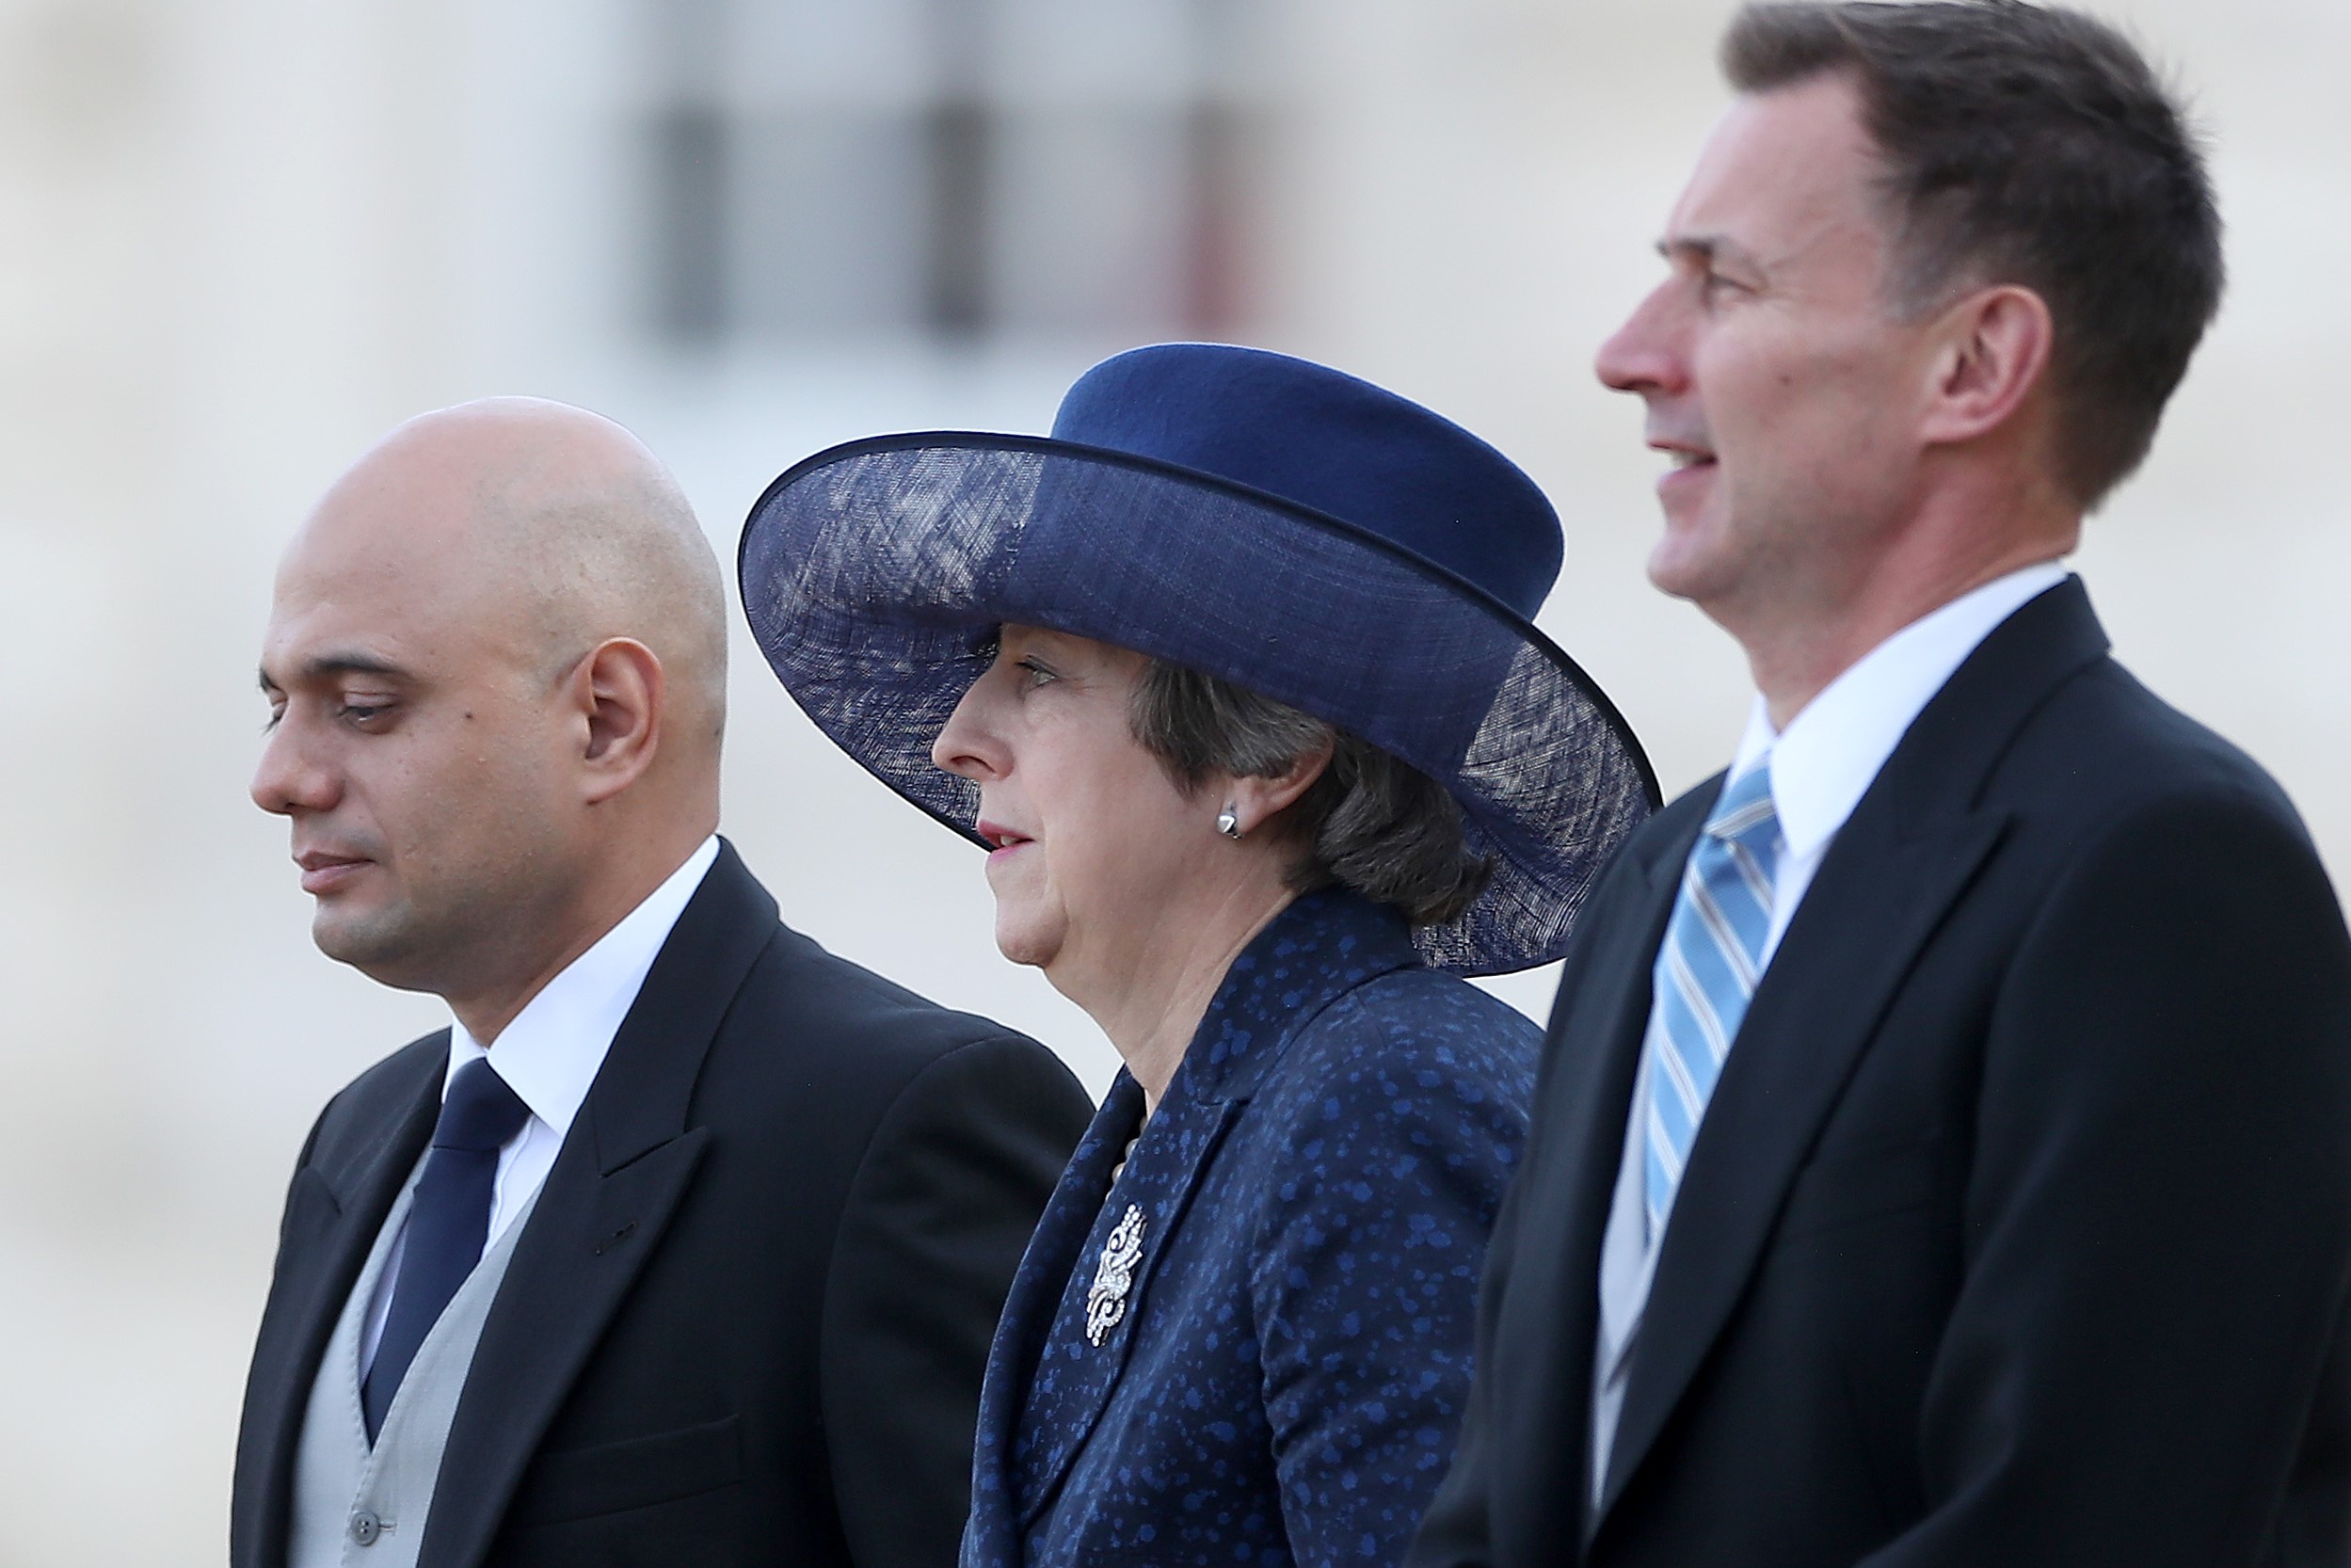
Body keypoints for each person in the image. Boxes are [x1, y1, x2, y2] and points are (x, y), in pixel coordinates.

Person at [1409, 0, 2351, 1568]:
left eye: (1715, 283)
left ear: (1973, 361)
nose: (1625, 356)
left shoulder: (2159, 873)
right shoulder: (1663, 881)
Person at [736, 344, 1658, 1568]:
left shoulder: (1387, 1100)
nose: (958, 738)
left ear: (1262, 758)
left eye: (1039, 674)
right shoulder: (1183, 1123)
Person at [232, 399, 1093, 1568]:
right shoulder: (355, 1144)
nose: (278, 777)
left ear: (608, 720)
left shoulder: (898, 1131)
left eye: (364, 706)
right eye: (277, 705)